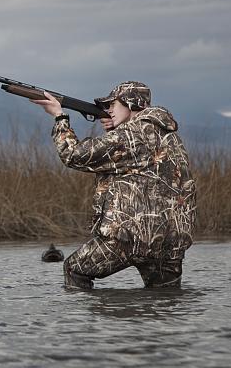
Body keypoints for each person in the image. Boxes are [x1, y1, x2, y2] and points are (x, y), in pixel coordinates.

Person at [31, 81, 196, 289]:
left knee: (75, 269)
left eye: (113, 104)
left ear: (130, 103)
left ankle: (83, 323)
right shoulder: (170, 137)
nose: (109, 110)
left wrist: (59, 116)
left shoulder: (129, 135)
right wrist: (117, 128)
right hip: (170, 242)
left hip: (128, 238)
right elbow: (132, 165)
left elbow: (73, 155)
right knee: (165, 301)